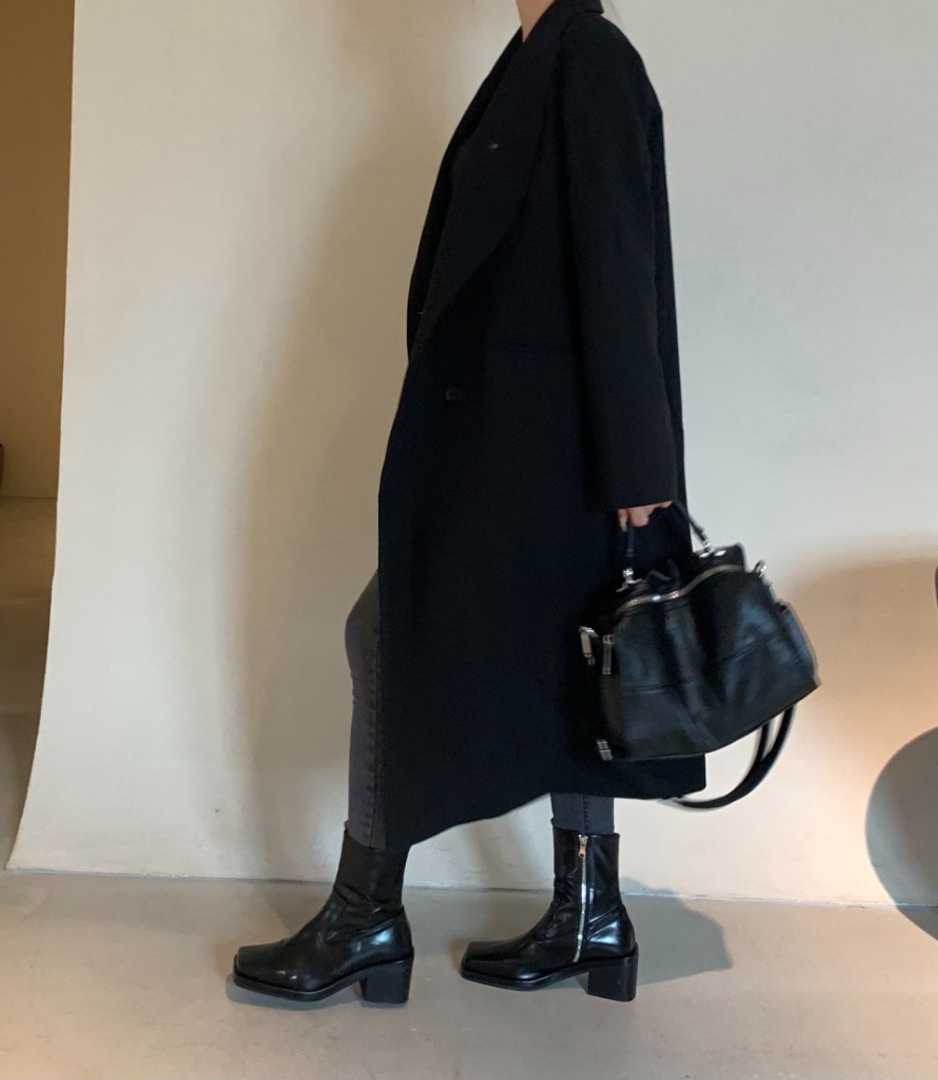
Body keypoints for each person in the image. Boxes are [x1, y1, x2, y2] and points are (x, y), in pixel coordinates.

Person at [232, 0, 706, 1005]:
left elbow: (619, 260)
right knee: (572, 657)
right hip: (512, 442)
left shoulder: (591, 59)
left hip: (555, 454)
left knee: (400, 636)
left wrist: (638, 469)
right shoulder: (535, 57)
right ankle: (587, 913)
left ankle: (367, 916)